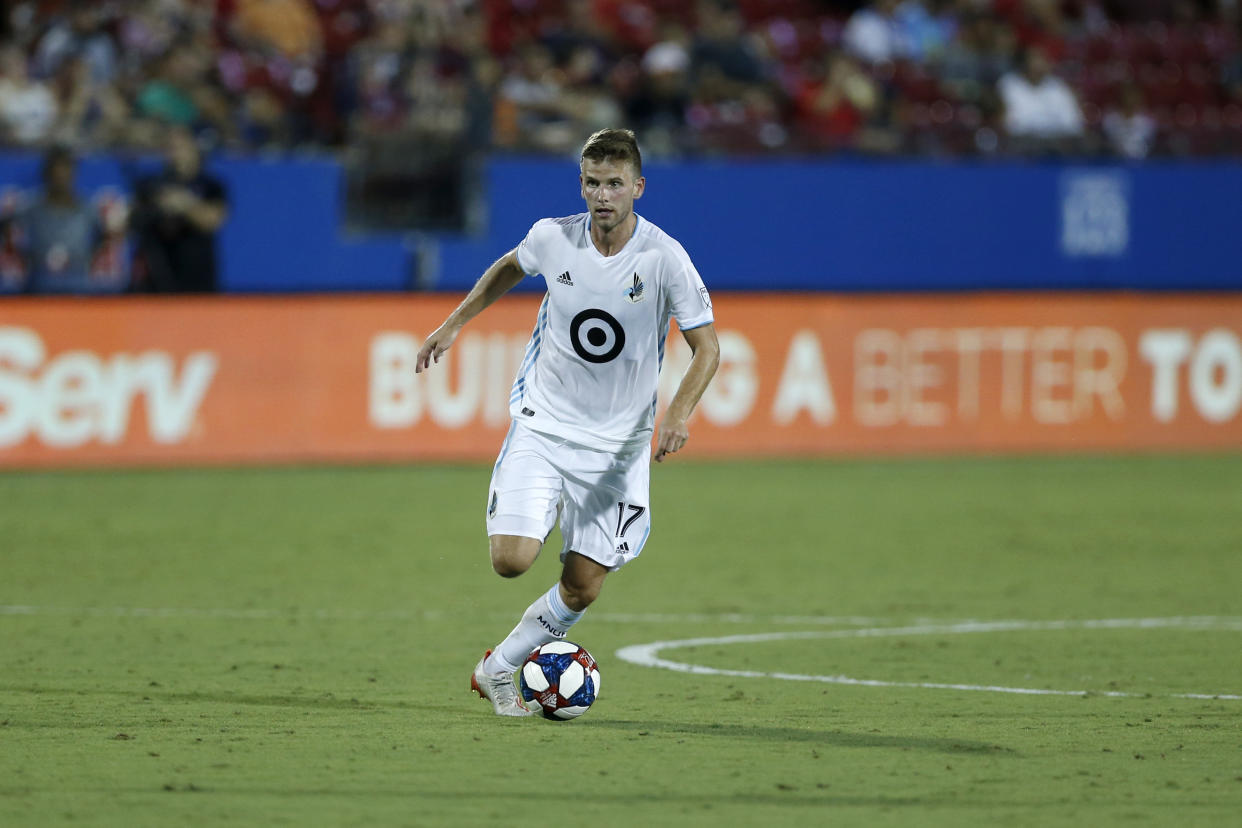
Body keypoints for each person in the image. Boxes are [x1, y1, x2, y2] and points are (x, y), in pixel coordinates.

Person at [415, 128, 720, 717]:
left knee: (583, 586)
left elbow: (707, 348)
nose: (602, 196)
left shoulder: (664, 258)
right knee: (512, 560)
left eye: (613, 184)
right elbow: (509, 267)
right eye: (591, 183)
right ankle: (544, 499)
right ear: (580, 186)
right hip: (545, 424)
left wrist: (678, 412)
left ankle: (498, 668)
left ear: (638, 187)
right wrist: (454, 323)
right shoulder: (552, 238)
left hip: (618, 448)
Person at [130, 126, 228, 292]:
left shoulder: (210, 185)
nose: (175, 154)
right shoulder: (151, 185)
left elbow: (214, 220)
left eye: (180, 147)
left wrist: (185, 205)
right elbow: (133, 221)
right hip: (158, 280)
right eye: (169, 148)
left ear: (194, 148)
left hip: (197, 279)